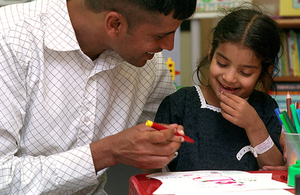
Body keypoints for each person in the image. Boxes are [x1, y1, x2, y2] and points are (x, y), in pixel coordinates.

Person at [0, 0, 196, 194]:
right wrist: (107, 152)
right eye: (159, 35)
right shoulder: (10, 38)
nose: (169, 46)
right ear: (114, 24)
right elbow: (3, 177)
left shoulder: (147, 63)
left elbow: (172, 143)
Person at [152, 6, 286, 172]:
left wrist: (254, 126)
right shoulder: (181, 103)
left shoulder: (265, 107)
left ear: (266, 71)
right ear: (211, 53)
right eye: (222, 63)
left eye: (245, 72)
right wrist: (161, 149)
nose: (229, 78)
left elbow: (277, 170)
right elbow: (150, 169)